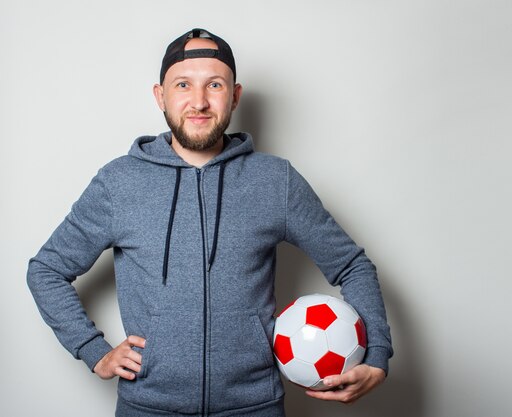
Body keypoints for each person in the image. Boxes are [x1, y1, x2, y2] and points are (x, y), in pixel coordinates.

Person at [27, 28, 393, 417]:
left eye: (214, 85)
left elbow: (351, 265)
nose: (199, 102)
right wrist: (93, 351)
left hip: (254, 406)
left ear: (234, 96)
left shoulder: (275, 181)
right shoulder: (119, 183)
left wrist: (377, 355)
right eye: (183, 84)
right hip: (148, 407)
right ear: (160, 95)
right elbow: (46, 270)